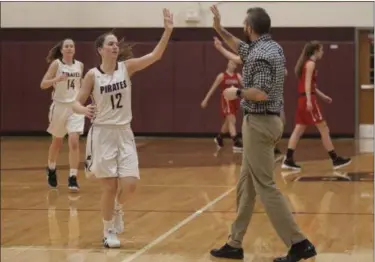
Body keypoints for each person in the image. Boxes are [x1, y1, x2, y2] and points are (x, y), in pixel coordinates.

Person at [208, 6, 317, 262]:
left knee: (266, 187)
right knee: (246, 186)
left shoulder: (260, 56)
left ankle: (299, 243)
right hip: (267, 122)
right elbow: (238, 46)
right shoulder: (270, 47)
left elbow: (261, 92)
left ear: (249, 27)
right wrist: (218, 28)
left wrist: (237, 93)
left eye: (243, 25)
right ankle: (234, 243)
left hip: (259, 123)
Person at [72, 9, 174, 248]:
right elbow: (77, 101)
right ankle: (108, 232)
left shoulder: (126, 68)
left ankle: (118, 209)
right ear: (100, 49)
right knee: (109, 186)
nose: (115, 47)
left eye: (116, 44)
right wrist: (83, 110)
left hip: (124, 132)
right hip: (102, 133)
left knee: (129, 184)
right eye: (110, 44)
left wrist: (167, 31)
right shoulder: (92, 75)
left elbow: (155, 56)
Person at [212, 36, 286, 161]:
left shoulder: (271, 52)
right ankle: (263, 150)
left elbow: (284, 71)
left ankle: (272, 149)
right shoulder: (251, 54)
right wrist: (220, 47)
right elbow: (235, 57)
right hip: (258, 103)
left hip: (272, 98)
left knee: (281, 121)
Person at [282, 41, 351, 171]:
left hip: (303, 98)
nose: (323, 52)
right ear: (316, 50)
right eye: (321, 50)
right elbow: (308, 84)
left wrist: (323, 96)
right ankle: (335, 159)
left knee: (299, 129)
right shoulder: (311, 64)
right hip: (308, 99)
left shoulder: (307, 63)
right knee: (323, 128)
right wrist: (309, 100)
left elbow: (311, 86)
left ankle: (288, 159)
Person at [40, 38, 84, 192]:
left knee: (74, 141)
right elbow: (43, 84)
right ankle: (51, 168)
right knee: (57, 142)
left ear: (74, 49)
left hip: (75, 107)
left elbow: (81, 85)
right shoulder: (56, 65)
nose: (69, 48)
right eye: (67, 46)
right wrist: (57, 79)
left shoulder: (80, 65)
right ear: (62, 49)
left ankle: (73, 177)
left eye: (72, 46)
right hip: (59, 106)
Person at [201, 56, 243, 153]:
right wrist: (205, 100)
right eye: (231, 62)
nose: (232, 64)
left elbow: (246, 86)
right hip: (226, 100)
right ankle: (236, 141)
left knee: (228, 122)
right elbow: (213, 88)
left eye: (234, 63)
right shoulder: (222, 76)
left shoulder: (238, 76)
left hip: (234, 100)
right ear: (228, 63)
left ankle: (219, 137)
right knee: (232, 120)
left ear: (236, 66)